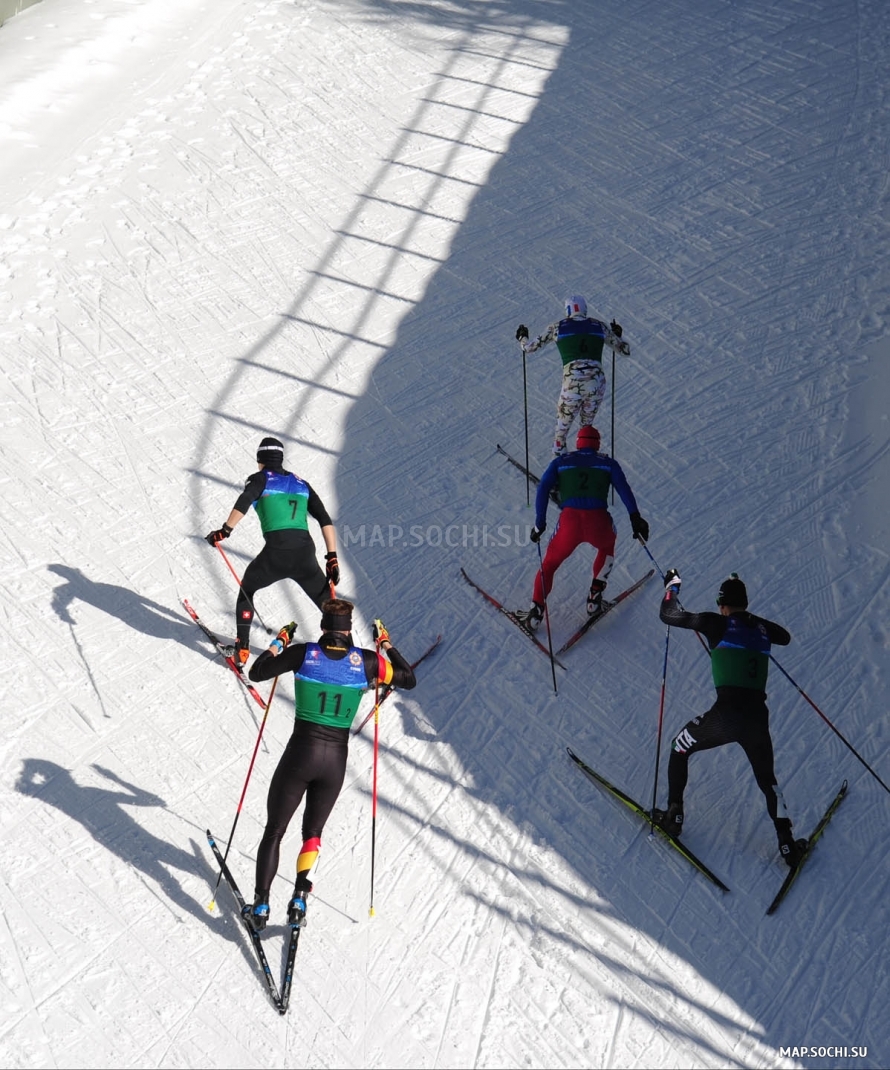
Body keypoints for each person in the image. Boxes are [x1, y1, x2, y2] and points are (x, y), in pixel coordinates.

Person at [241, 598, 417, 930]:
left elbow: (257, 671)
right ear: (349, 630)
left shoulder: (304, 653)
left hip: (300, 754)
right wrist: (386, 644)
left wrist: (280, 641)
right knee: (313, 833)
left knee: (275, 831)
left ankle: (261, 906)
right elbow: (408, 678)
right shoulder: (367, 662)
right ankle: (298, 898)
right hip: (335, 762)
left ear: (323, 627)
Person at [651, 570, 808, 868]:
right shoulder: (761, 629)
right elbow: (784, 637)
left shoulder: (716, 623)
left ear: (722, 604)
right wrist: (753, 624)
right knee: (767, 780)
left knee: (679, 747)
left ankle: (675, 814)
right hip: (758, 719)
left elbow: (669, 615)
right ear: (745, 603)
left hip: (726, 716)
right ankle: (787, 843)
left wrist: (671, 587)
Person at [205, 437, 340, 666]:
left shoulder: (260, 479)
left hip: (276, 554)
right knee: (330, 606)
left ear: (261, 460)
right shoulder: (302, 484)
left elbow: (244, 501)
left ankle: (242, 651)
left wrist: (225, 530)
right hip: (305, 555)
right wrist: (332, 557)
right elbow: (325, 519)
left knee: (247, 590)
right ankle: (345, 655)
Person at [515, 425, 649, 630]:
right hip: (599, 522)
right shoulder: (609, 463)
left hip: (568, 524)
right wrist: (635, 518)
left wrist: (539, 525)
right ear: (597, 443)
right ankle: (594, 598)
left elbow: (542, 488)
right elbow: (624, 489)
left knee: (550, 564)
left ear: (578, 442)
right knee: (607, 546)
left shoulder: (561, 461)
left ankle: (536, 610)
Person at [516, 295, 630, 457]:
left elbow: (528, 348)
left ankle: (560, 468)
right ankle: (585, 463)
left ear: (568, 310)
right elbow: (625, 350)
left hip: (572, 385)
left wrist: (522, 337)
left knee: (561, 431)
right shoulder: (600, 326)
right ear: (584, 309)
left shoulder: (557, 327)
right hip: (596, 384)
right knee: (586, 428)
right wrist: (617, 334)